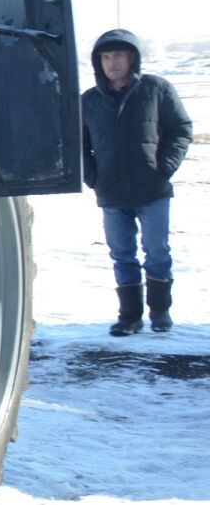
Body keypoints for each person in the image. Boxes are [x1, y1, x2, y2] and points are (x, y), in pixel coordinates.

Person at [81, 28, 193, 334]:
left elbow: (181, 129)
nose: (112, 62)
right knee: (121, 253)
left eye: (118, 55)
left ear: (132, 58)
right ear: (98, 63)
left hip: (152, 189)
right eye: (105, 57)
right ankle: (129, 316)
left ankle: (160, 312)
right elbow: (77, 144)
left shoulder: (156, 89)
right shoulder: (88, 101)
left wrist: (165, 167)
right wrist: (94, 177)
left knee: (156, 249)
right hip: (111, 192)